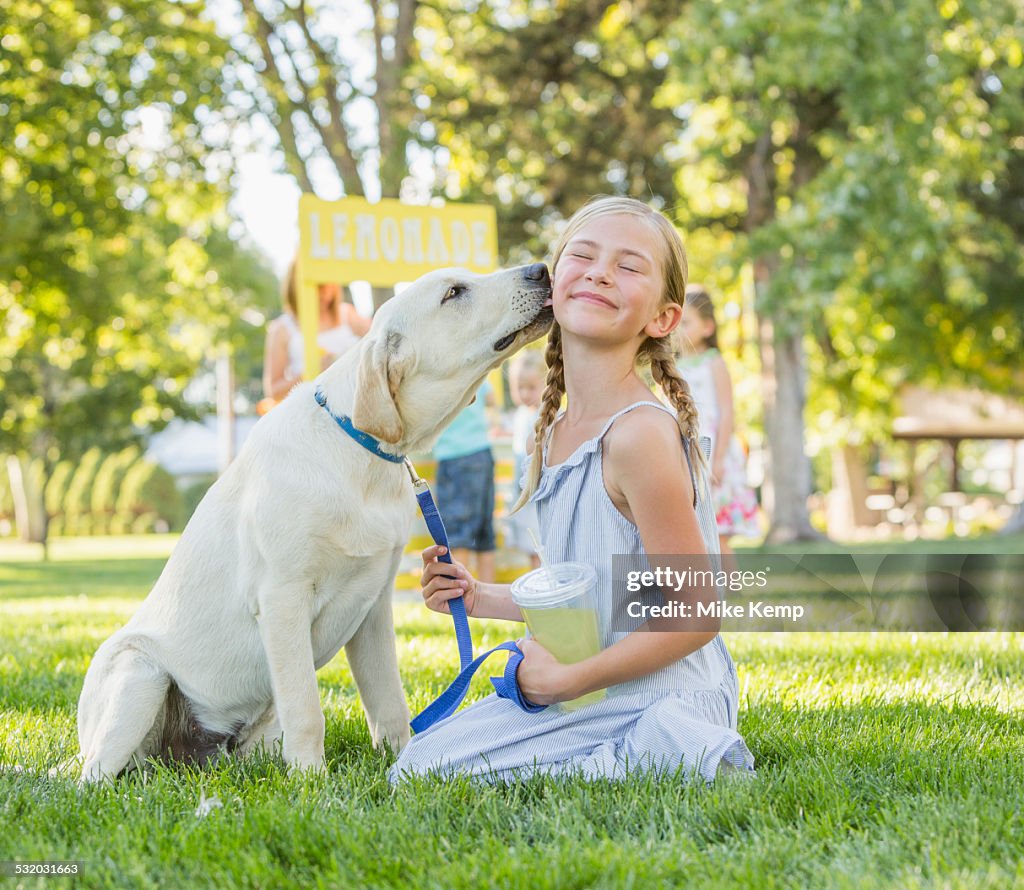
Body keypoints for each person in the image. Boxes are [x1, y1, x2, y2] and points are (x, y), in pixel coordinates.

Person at [391, 196, 754, 783]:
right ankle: (637, 752)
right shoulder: (551, 433)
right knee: (420, 761)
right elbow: (590, 599)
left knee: (427, 771)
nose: (601, 271)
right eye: (582, 255)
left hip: (667, 688)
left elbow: (697, 614)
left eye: (629, 266)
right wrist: (479, 595)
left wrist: (568, 680)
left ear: (663, 318)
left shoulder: (639, 436)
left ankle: (677, 746)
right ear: (552, 286)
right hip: (594, 680)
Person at [674, 285, 760, 558]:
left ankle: (730, 596)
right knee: (692, 535)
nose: (679, 330)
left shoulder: (714, 363)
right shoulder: (670, 368)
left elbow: (726, 411)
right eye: (676, 323)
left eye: (686, 323)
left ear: (707, 327)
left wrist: (719, 458)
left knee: (718, 536)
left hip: (713, 452)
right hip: (684, 453)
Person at [262, 260, 371, 403]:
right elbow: (274, 392)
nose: (325, 293)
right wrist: (314, 371)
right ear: (297, 285)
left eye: (329, 285)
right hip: (310, 410)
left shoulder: (348, 315)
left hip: (352, 403)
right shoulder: (281, 329)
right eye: (318, 286)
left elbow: (379, 340)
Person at [432, 380, 498, 584]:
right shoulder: (475, 372)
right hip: (482, 452)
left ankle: (458, 596)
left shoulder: (440, 377)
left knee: (458, 531)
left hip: (455, 455)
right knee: (484, 532)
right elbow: (491, 399)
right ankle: (488, 595)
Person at [503, 350, 545, 569]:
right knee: (531, 546)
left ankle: (546, 591)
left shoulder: (545, 416)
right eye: (520, 387)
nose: (525, 393)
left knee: (541, 547)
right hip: (522, 492)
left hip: (537, 494)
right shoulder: (521, 415)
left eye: (531, 387)